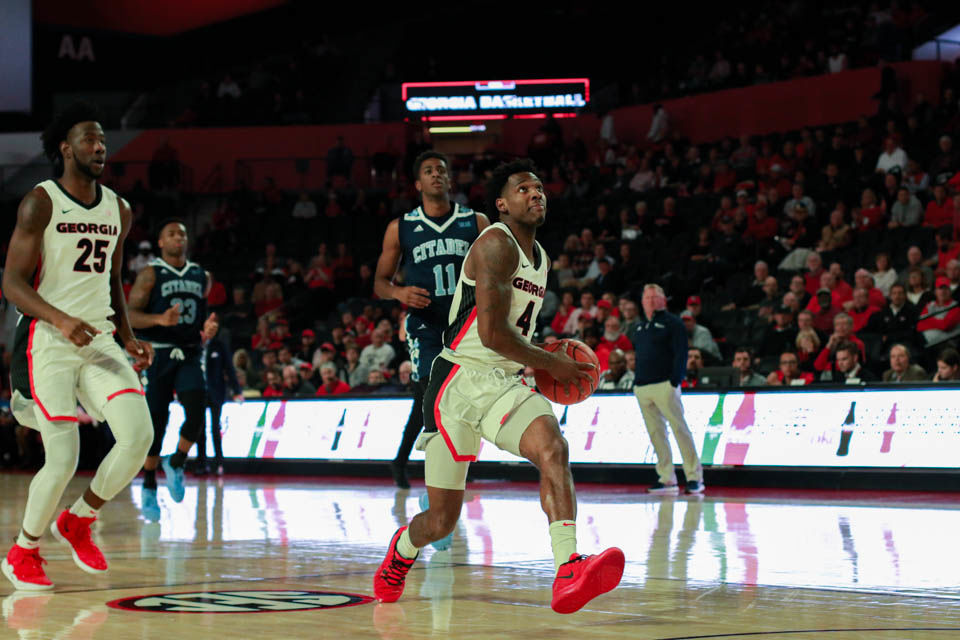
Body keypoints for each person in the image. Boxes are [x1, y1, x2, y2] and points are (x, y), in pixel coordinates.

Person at [373, 159, 624, 614]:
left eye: (540, 187)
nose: (535, 193)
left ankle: (568, 566)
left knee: (553, 446)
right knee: (440, 521)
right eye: (524, 188)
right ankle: (403, 549)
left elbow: (512, 331)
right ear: (502, 205)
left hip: (503, 381)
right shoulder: (494, 244)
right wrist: (551, 363)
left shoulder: (542, 258)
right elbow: (489, 334)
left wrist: (543, 354)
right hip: (456, 383)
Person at [1, 103, 154, 590]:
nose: (100, 147)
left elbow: (111, 278)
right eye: (89, 139)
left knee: (138, 436)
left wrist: (127, 334)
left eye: (103, 139)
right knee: (62, 455)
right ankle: (23, 550)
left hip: (99, 337)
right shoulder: (40, 202)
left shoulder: (119, 209)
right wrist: (61, 319)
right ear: (66, 148)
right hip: (46, 338)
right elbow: (12, 282)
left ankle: (80, 518)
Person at [374, 151, 489, 489]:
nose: (436, 174)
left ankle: (406, 461)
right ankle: (444, 472)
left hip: (464, 324)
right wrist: (400, 293)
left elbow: (496, 271)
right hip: (425, 324)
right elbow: (380, 283)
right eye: (428, 170)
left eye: (442, 169)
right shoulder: (401, 227)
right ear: (418, 183)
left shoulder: (476, 222)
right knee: (431, 392)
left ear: (450, 179)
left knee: (448, 398)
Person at [128, 218, 213, 520]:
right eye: (172, 234)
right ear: (161, 242)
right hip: (158, 355)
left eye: (183, 233)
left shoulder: (201, 275)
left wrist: (207, 329)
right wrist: (159, 320)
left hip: (189, 352)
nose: (179, 237)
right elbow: (130, 316)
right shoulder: (151, 274)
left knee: (196, 411)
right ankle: (149, 484)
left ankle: (176, 461)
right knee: (156, 423)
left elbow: (200, 316)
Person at [631, 284, 704, 495]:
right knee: (656, 434)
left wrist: (674, 381)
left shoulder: (673, 323)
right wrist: (636, 384)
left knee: (680, 430)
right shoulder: (639, 327)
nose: (651, 300)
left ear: (664, 300)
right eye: (648, 297)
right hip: (643, 387)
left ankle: (694, 478)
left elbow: (682, 353)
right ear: (642, 301)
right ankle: (667, 478)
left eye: (656, 297)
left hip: (665, 385)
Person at [197, 313, 242, 476]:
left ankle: (219, 463)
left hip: (216, 392)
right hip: (198, 392)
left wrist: (237, 391)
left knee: (215, 428)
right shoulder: (195, 345)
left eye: (216, 326)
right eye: (210, 325)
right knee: (199, 429)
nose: (213, 328)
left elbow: (229, 368)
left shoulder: (220, 346)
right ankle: (201, 464)